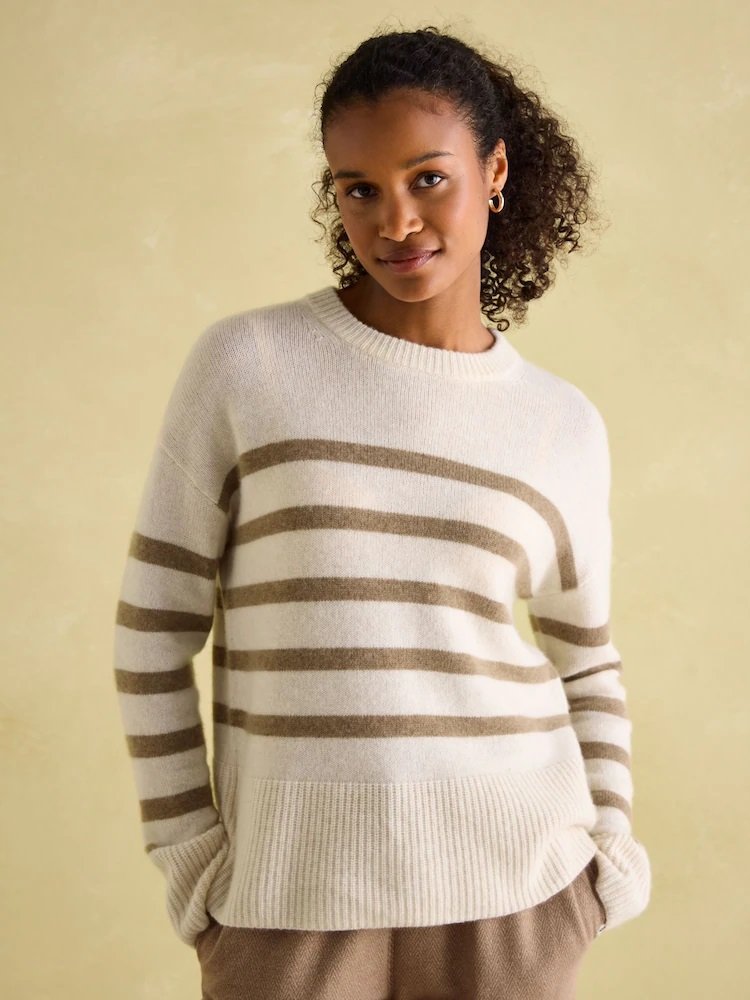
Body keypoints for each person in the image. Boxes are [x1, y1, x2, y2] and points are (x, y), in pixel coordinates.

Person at [112, 21, 651, 1000]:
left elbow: (586, 657)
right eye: (359, 188)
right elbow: (152, 631)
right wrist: (191, 859)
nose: (395, 220)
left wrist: (603, 858)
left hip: (520, 897)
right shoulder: (248, 366)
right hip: (287, 904)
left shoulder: (560, 423)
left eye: (428, 178)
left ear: (494, 171)